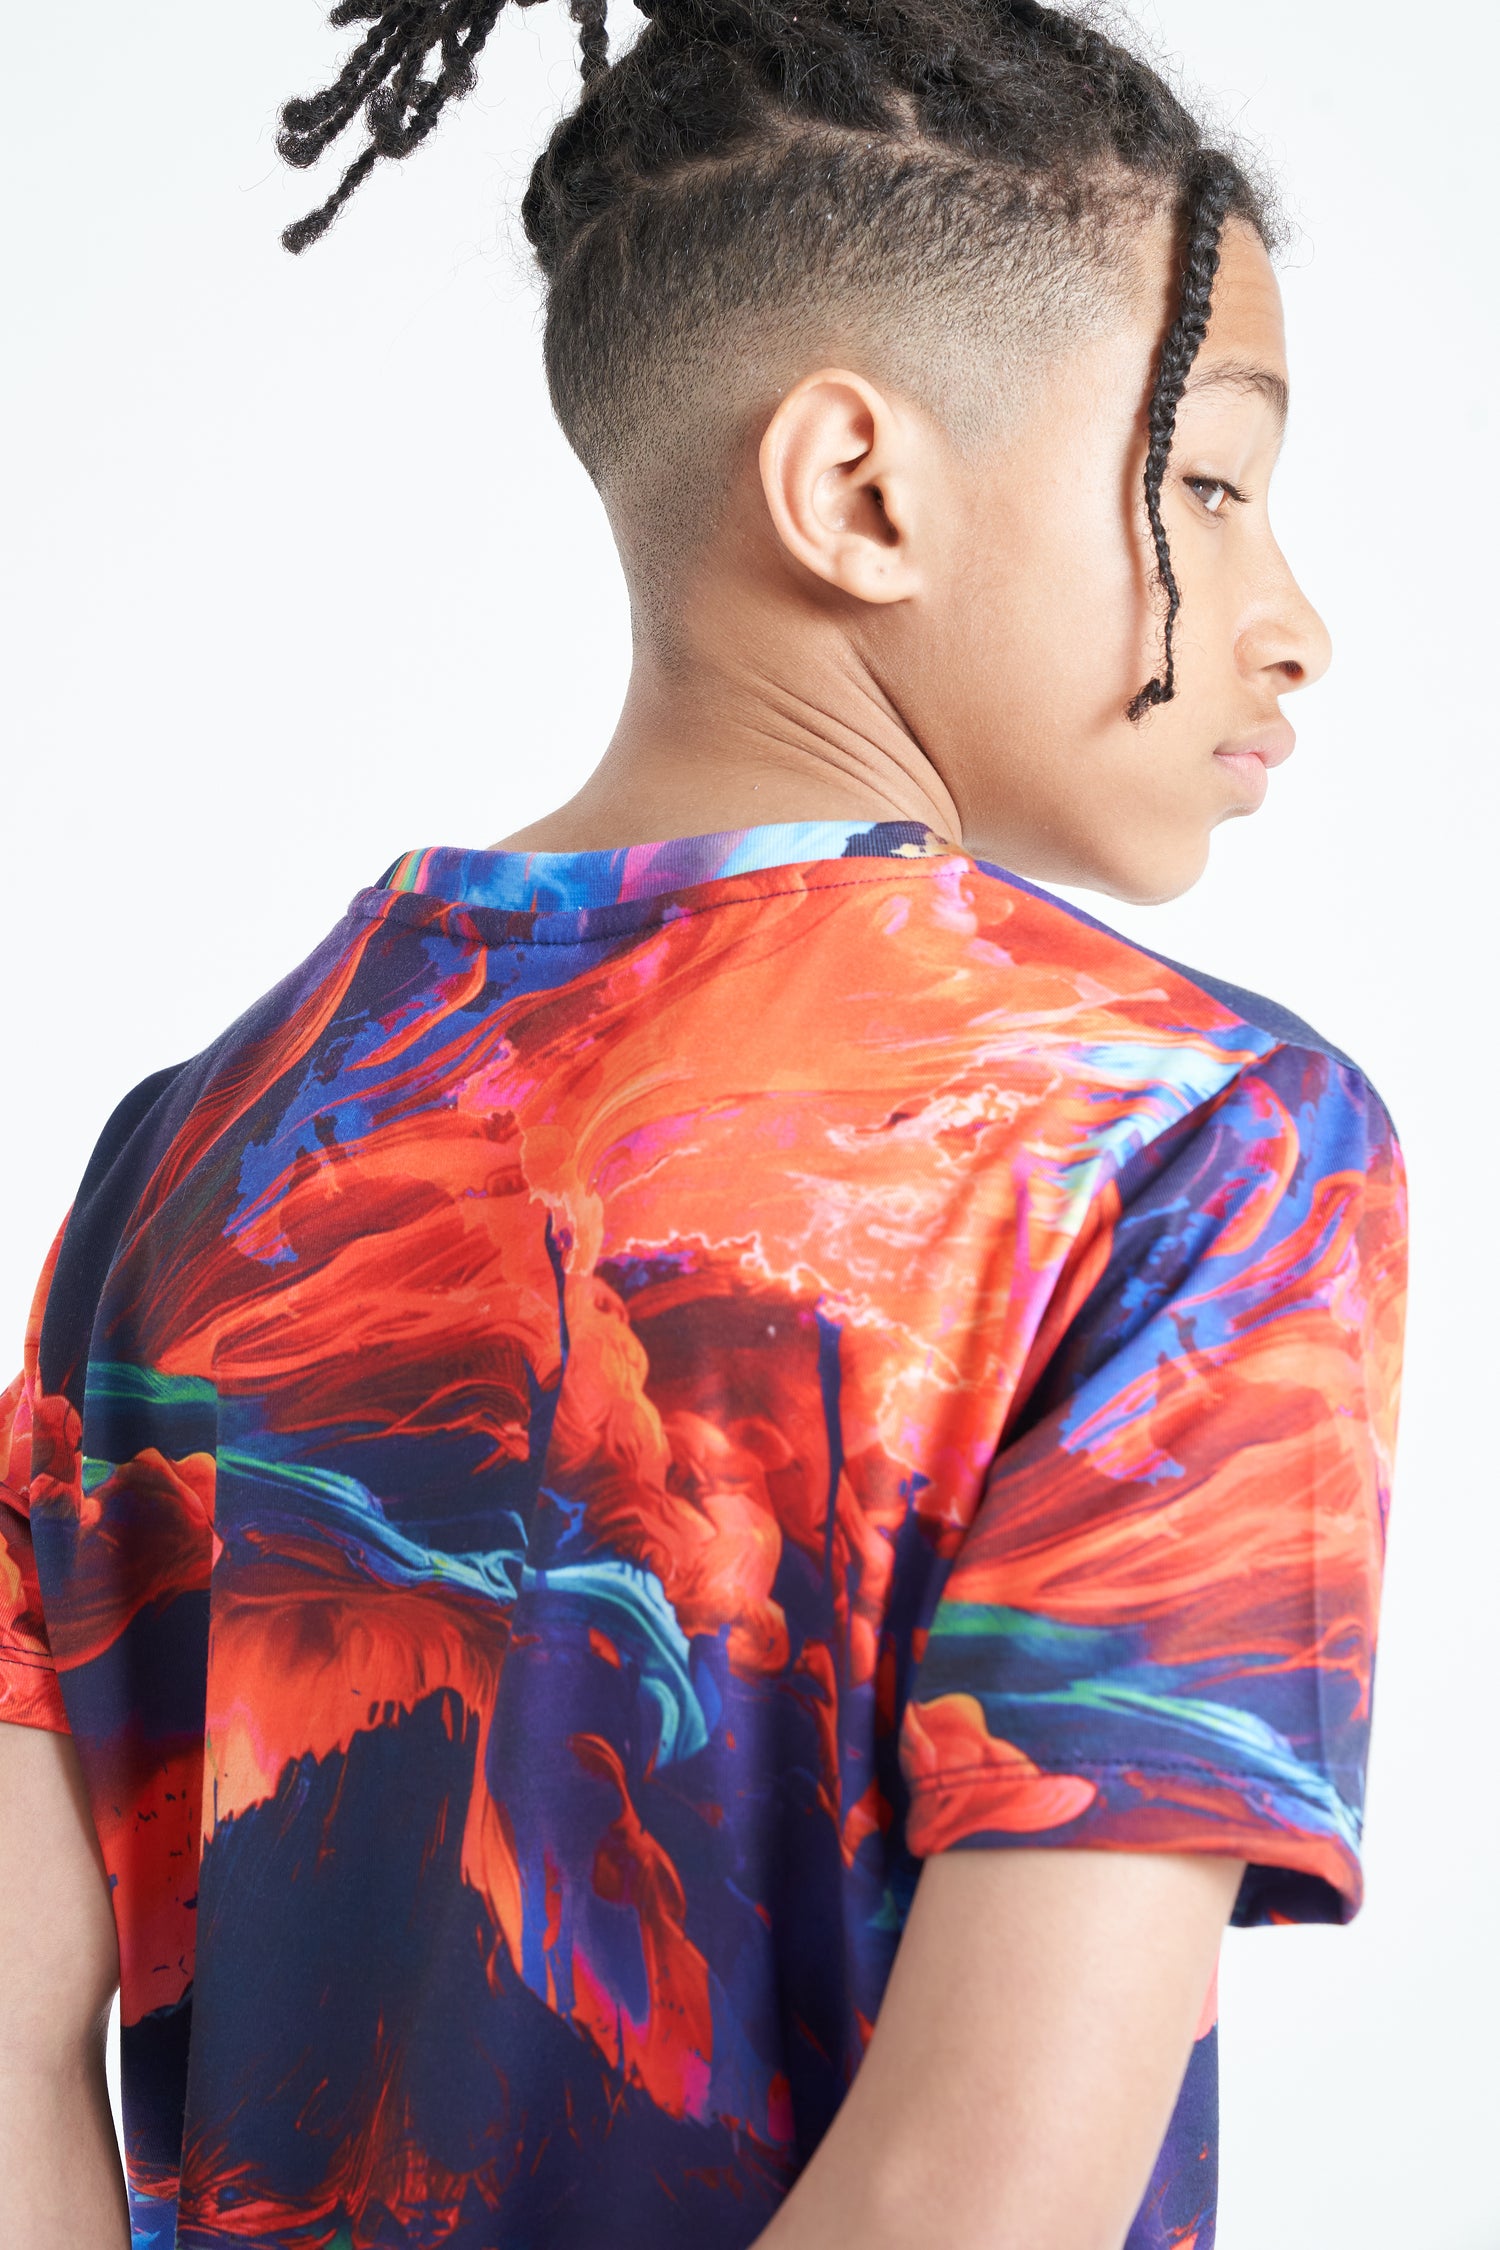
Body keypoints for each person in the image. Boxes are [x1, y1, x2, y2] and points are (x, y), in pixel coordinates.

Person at [0, 0, 1409, 2244]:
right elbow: (972, 2201)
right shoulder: (1191, 1143)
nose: (1294, 620)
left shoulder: (196, 1151)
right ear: (860, 490)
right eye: (1214, 482)